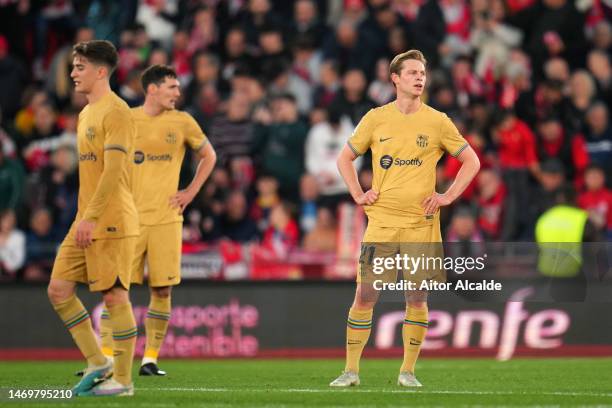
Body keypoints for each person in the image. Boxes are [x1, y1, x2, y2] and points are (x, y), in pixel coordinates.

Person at [331, 49, 480, 388]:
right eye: (411, 72)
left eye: (422, 72)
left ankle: (407, 372)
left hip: (421, 223)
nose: (419, 77)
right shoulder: (375, 118)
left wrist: (447, 196)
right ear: (394, 78)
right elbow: (345, 158)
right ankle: (351, 370)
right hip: (382, 221)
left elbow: (472, 161)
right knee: (365, 295)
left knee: (417, 297)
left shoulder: (438, 121)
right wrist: (358, 192)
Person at [98, 65, 216, 376]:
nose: (178, 92)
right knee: (116, 288)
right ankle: (105, 358)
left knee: (162, 290)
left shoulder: (183, 122)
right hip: (129, 219)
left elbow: (209, 156)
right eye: (172, 87)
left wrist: (190, 192)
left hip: (166, 219)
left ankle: (150, 358)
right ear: (152, 89)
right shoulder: (127, 119)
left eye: (178, 87)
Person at [46, 40, 139, 396]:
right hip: (85, 218)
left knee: (115, 296)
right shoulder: (86, 113)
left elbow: (113, 173)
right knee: (58, 289)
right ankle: (98, 361)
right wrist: (84, 217)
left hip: (110, 219)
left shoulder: (117, 112)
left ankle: (125, 381)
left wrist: (92, 217)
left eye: (79, 67)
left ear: (101, 72)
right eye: (73, 66)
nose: (72, 73)